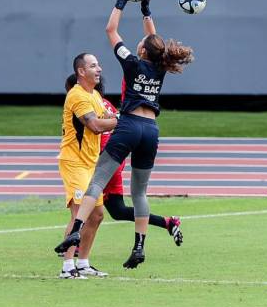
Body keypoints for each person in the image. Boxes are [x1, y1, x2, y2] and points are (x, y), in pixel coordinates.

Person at [54, 0, 193, 268]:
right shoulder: (160, 66)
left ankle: (76, 230)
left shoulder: (132, 62)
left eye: (142, 42)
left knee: (97, 180)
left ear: (141, 50)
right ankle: (139, 246)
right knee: (139, 193)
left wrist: (121, 0)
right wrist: (146, 10)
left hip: (128, 124)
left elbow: (111, 29)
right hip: (151, 130)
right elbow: (157, 43)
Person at [63, 74, 184, 247]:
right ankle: (167, 222)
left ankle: (72, 248)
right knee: (117, 210)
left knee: (81, 206)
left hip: (100, 162)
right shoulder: (105, 104)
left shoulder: (86, 103)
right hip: (115, 161)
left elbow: (96, 128)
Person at [58, 53, 118, 278]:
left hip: (91, 163)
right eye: (93, 65)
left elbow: (107, 117)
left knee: (96, 215)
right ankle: (67, 266)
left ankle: (83, 262)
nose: (99, 69)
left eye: (99, 65)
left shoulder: (94, 95)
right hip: (75, 162)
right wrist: (119, 120)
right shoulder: (77, 95)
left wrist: (115, 118)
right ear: (81, 71)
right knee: (79, 214)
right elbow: (95, 125)